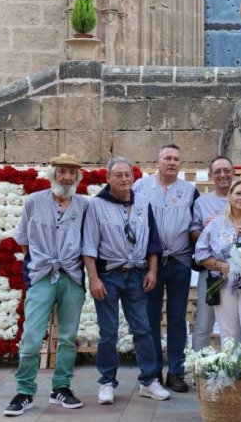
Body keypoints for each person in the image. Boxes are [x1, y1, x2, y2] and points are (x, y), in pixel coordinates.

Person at [4, 154, 89, 417]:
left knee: (66, 337)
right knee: (31, 336)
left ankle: (61, 387)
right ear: (53, 174)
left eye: (71, 173)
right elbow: (24, 239)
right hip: (41, 275)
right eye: (62, 171)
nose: (66, 177)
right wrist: (40, 260)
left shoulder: (84, 205)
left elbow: (90, 242)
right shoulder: (34, 201)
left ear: (77, 177)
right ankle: (24, 391)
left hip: (72, 276)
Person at [82, 157, 169, 404]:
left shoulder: (143, 203)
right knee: (109, 332)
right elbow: (88, 245)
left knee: (143, 328)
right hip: (108, 275)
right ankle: (107, 382)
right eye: (118, 175)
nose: (123, 179)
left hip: (137, 275)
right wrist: (94, 278)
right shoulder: (96, 206)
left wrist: (152, 271)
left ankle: (148, 381)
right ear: (108, 179)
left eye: (127, 175)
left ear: (133, 177)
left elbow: (153, 240)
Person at [195, 179, 241, 409]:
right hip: (224, 286)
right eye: (238, 193)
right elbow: (200, 255)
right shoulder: (216, 224)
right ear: (229, 196)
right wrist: (220, 265)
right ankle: (233, 381)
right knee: (228, 335)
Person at [133, 144, 199, 393]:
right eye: (167, 158)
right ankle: (152, 372)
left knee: (177, 318)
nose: (171, 162)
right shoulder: (141, 187)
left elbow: (195, 223)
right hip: (149, 264)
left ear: (181, 165)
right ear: (157, 161)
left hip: (179, 262)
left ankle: (176, 371)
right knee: (149, 318)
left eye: (176, 159)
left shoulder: (189, 191)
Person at [190, 156, 235, 351]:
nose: (223, 175)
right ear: (211, 176)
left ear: (234, 173)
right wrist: (207, 232)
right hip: (210, 270)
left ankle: (239, 371)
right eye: (217, 172)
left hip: (240, 271)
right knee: (204, 323)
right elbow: (193, 232)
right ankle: (198, 369)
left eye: (226, 170)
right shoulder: (202, 203)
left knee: (237, 323)